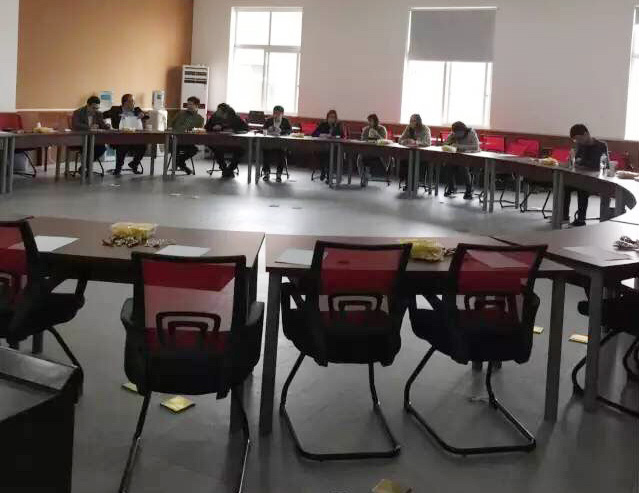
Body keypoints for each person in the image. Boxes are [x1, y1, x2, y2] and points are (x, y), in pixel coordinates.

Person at [563, 124, 609, 226]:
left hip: (596, 179)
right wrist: (578, 161)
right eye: (575, 140)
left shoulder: (601, 145)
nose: (578, 141)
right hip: (582, 177)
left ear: (586, 134)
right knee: (564, 186)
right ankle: (563, 216)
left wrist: (582, 162)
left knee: (582, 188)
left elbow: (602, 165)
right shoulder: (580, 145)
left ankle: (581, 220)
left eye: (579, 139)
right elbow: (577, 161)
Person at [103, 94, 149, 175]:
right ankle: (118, 168)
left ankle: (134, 164)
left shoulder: (137, 110)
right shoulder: (115, 110)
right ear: (125, 102)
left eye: (133, 101)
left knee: (143, 146)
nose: (133, 103)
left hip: (135, 138)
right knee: (123, 145)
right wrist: (106, 125)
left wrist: (143, 114)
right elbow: (101, 116)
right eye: (132, 101)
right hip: (119, 138)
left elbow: (146, 116)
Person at [204, 103, 249, 178]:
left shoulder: (235, 117)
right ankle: (224, 168)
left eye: (219, 111)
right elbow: (206, 127)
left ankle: (231, 169)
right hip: (218, 141)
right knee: (217, 148)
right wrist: (213, 127)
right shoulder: (214, 117)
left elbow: (246, 128)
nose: (217, 112)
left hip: (233, 142)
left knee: (241, 150)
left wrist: (234, 130)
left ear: (225, 112)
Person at [443, 121, 480, 199]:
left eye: (458, 132)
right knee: (447, 165)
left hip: (470, 157)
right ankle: (452, 187)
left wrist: (459, 146)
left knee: (463, 167)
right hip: (457, 157)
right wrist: (450, 142)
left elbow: (476, 146)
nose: (457, 134)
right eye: (455, 132)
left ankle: (469, 189)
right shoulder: (453, 134)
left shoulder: (471, 133)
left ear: (463, 130)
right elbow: (445, 144)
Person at [170, 96, 205, 175]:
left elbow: (198, 131)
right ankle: (182, 165)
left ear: (196, 106)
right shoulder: (180, 114)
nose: (188, 106)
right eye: (188, 104)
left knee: (194, 150)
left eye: (191, 104)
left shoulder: (200, 119)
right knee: (172, 146)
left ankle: (179, 163)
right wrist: (172, 129)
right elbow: (171, 123)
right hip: (176, 139)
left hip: (188, 141)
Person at [71, 96, 110, 162]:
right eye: (93, 108)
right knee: (88, 148)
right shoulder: (78, 112)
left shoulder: (99, 113)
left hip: (94, 139)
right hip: (81, 139)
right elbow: (75, 125)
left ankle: (86, 165)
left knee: (102, 148)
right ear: (88, 105)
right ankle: (87, 166)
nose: (95, 110)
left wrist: (107, 126)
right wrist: (89, 127)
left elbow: (102, 125)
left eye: (97, 108)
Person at [398, 114, 431, 189]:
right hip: (410, 153)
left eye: (413, 121)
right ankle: (408, 182)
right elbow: (400, 140)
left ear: (418, 121)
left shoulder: (425, 129)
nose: (411, 122)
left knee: (415, 162)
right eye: (410, 121)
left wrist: (415, 142)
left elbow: (428, 143)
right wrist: (405, 141)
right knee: (404, 160)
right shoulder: (408, 128)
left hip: (421, 154)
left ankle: (414, 183)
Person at [312, 110, 346, 183]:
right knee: (320, 153)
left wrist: (335, 136)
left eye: (333, 117)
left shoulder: (338, 125)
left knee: (331, 155)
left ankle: (328, 175)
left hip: (335, 148)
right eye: (330, 117)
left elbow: (342, 136)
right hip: (323, 147)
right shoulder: (323, 124)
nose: (331, 119)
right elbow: (314, 133)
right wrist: (323, 135)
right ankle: (324, 170)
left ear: (336, 118)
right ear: (327, 118)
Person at [262, 105, 292, 182]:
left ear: (282, 114)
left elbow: (289, 131)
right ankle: (266, 173)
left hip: (281, 144)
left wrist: (281, 131)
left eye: (278, 113)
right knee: (265, 152)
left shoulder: (285, 121)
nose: (276, 115)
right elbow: (263, 130)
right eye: (275, 113)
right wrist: (268, 129)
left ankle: (279, 174)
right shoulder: (269, 120)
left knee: (281, 153)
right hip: (269, 143)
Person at [359, 114, 388, 184]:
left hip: (379, 151)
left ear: (376, 121)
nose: (369, 123)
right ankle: (363, 177)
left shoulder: (382, 129)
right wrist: (366, 139)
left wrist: (377, 135)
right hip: (368, 150)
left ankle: (385, 172)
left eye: (371, 121)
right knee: (360, 157)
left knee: (385, 157)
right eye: (368, 121)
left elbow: (384, 141)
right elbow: (362, 140)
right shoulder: (366, 129)